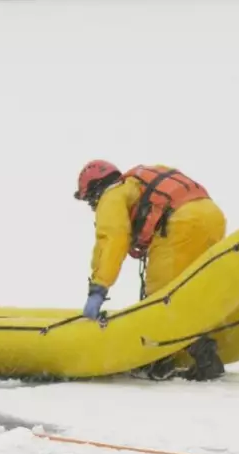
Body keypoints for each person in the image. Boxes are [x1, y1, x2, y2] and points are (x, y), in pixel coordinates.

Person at [73, 160, 227, 381]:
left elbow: (112, 240)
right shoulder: (138, 180)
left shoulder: (112, 195)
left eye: (90, 200)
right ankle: (192, 352)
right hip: (212, 216)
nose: (92, 206)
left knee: (162, 300)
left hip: (180, 223)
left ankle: (175, 360)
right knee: (191, 292)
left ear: (95, 190)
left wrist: (99, 287)